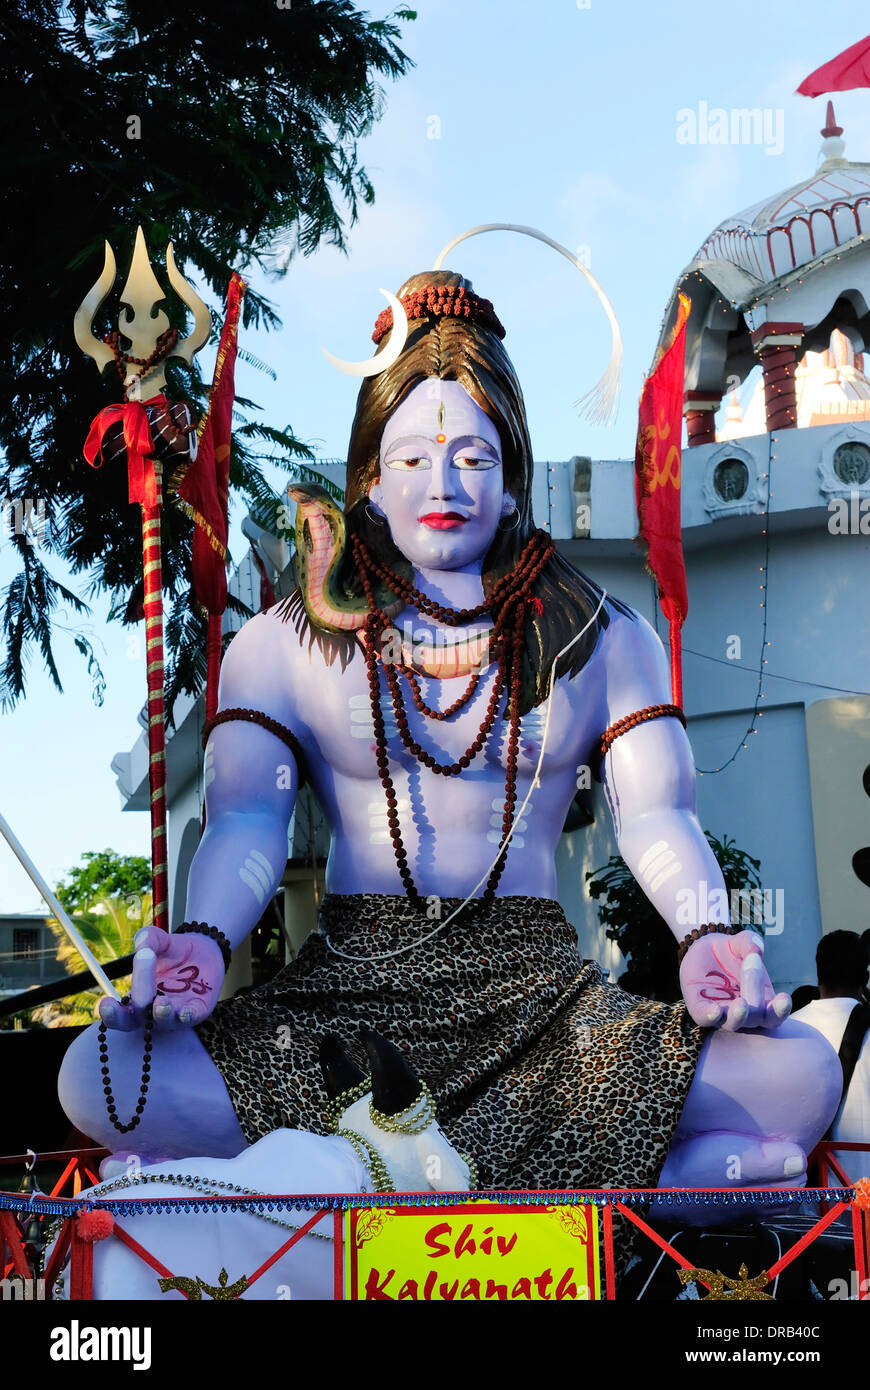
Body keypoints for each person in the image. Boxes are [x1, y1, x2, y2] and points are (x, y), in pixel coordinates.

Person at [59, 270, 841, 1206]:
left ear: (512, 480)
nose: (444, 485)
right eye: (413, 460)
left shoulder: (605, 634)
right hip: (346, 999)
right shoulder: (285, 640)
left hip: (544, 1006)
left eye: (473, 458)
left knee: (797, 1073)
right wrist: (202, 938)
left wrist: (707, 934)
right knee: (104, 1072)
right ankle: (643, 1188)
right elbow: (246, 826)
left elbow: (659, 814)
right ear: (370, 483)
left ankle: (296, 1187)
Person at [793, 931, 870, 1183]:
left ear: (819, 975)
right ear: (865, 977)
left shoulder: (785, 1031)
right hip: (865, 1203)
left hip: (804, 1212)